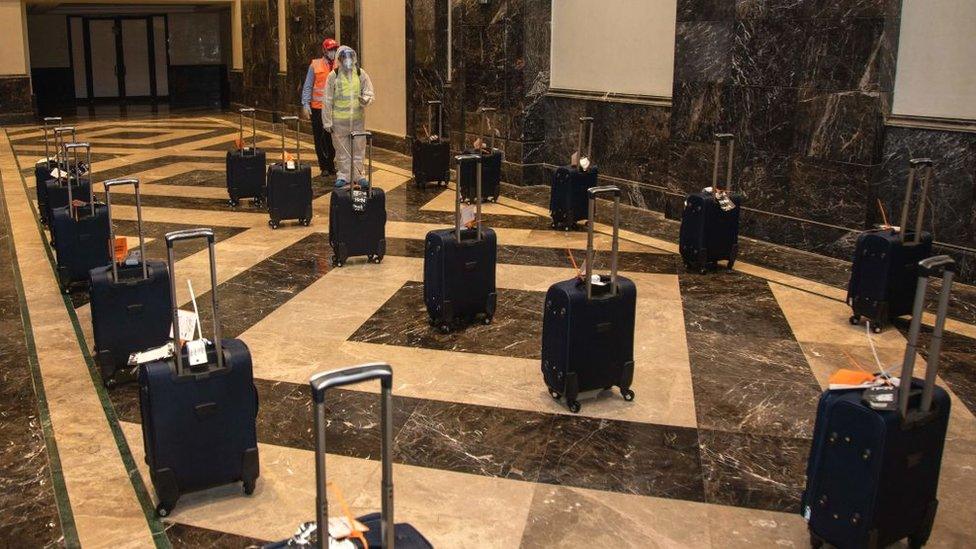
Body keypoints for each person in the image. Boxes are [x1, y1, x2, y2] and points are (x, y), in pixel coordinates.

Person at [322, 45, 375, 188]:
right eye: (344, 57)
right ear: (339, 59)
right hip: (339, 121)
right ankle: (344, 175)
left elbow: (369, 92)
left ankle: (359, 175)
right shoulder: (333, 75)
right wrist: (327, 121)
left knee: (358, 148)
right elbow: (327, 99)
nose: (348, 60)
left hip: (357, 120)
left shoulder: (360, 73)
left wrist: (365, 100)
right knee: (341, 150)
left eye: (350, 57)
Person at [301, 38, 339, 176]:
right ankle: (324, 166)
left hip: (334, 108)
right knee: (320, 138)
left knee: (332, 138)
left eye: (334, 49)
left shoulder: (339, 65)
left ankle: (331, 163)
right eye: (330, 49)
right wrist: (306, 104)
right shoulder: (315, 65)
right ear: (324, 50)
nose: (333, 52)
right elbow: (308, 86)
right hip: (318, 108)